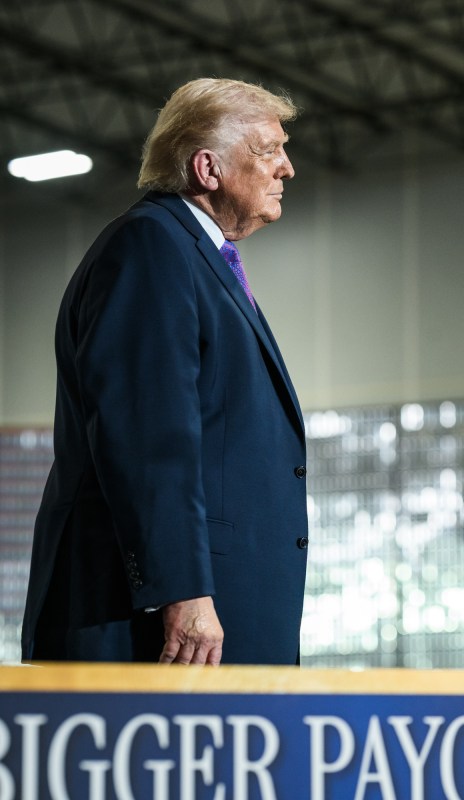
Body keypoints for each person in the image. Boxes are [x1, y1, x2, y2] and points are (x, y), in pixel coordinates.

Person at [21, 78, 309, 666]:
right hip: (160, 620)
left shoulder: (196, 257)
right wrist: (183, 590)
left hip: (218, 605)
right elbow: (147, 435)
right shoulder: (150, 245)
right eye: (269, 150)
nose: (287, 168)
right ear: (208, 168)